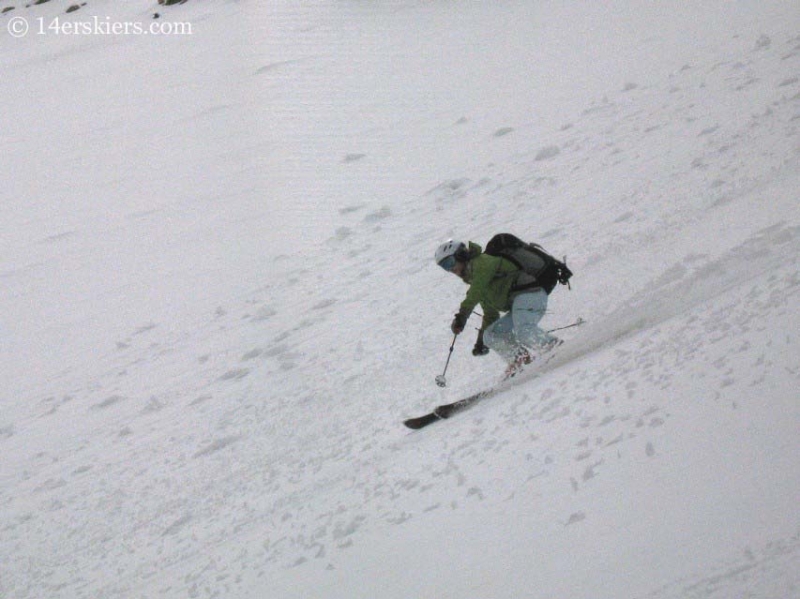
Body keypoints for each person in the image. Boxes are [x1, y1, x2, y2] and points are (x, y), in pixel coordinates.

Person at [435, 239, 561, 376]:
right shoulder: (475, 279)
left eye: (449, 262)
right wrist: (481, 340)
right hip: (520, 304)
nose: (450, 269)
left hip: (531, 295)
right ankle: (521, 360)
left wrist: (462, 316)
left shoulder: (483, 262)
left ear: (460, 255)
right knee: (491, 335)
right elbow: (490, 314)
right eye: (444, 267)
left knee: (524, 331)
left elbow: (475, 292)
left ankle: (556, 349)